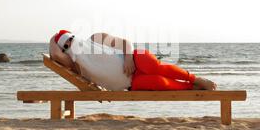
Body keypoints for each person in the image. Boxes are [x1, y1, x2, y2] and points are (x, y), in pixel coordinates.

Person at [49, 30, 217, 91]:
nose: (71, 44)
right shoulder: (76, 65)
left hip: (134, 59)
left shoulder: (95, 38)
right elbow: (55, 55)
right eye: (66, 45)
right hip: (129, 83)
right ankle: (191, 87)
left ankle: (195, 79)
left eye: (70, 38)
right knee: (160, 83)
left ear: (75, 35)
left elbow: (125, 43)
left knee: (155, 67)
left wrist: (129, 59)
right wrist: (53, 38)